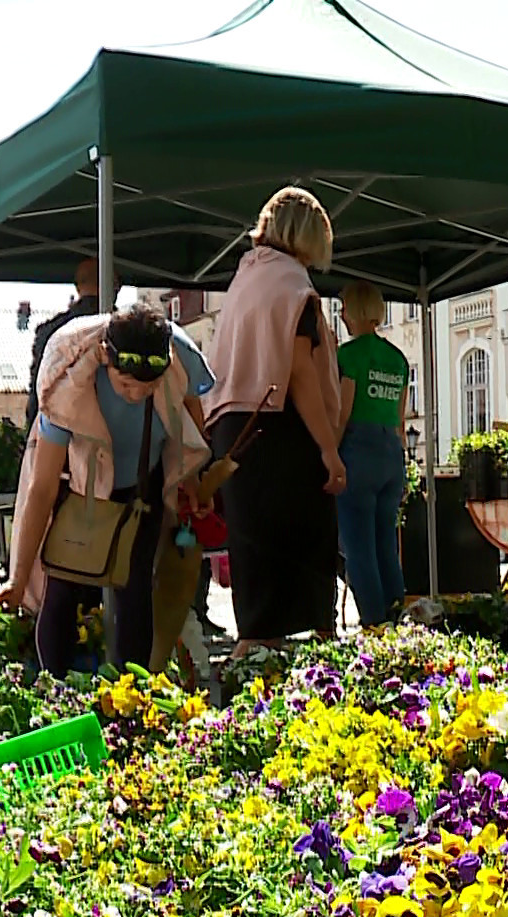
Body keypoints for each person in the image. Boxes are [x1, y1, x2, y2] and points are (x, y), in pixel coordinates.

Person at [0, 300, 213, 674]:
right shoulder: (67, 377)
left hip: (144, 486)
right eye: (126, 385)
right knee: (62, 590)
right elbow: (42, 487)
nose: (137, 395)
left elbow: (187, 413)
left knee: (135, 590)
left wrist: (190, 476)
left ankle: (131, 701)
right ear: (104, 359)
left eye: (149, 388)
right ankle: (57, 695)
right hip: (82, 489)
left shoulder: (183, 359)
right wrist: (17, 578)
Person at [202, 187, 347, 659]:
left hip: (235, 430)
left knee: (255, 557)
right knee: (306, 545)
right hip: (279, 429)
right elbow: (301, 371)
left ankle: (252, 666)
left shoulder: (246, 277)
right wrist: (328, 447)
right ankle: (323, 666)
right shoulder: (292, 286)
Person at [333, 280, 411, 628]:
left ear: (356, 310)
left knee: (358, 548)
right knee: (385, 545)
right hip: (391, 453)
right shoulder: (397, 359)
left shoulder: (348, 356)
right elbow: (399, 418)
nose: (341, 314)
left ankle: (375, 626)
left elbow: (342, 413)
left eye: (344, 307)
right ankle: (398, 620)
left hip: (359, 451)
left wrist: (330, 453)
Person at [28, 257, 102, 430]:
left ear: (77, 287)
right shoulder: (123, 329)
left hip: (58, 428)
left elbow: (37, 392)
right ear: (115, 286)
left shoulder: (48, 331)